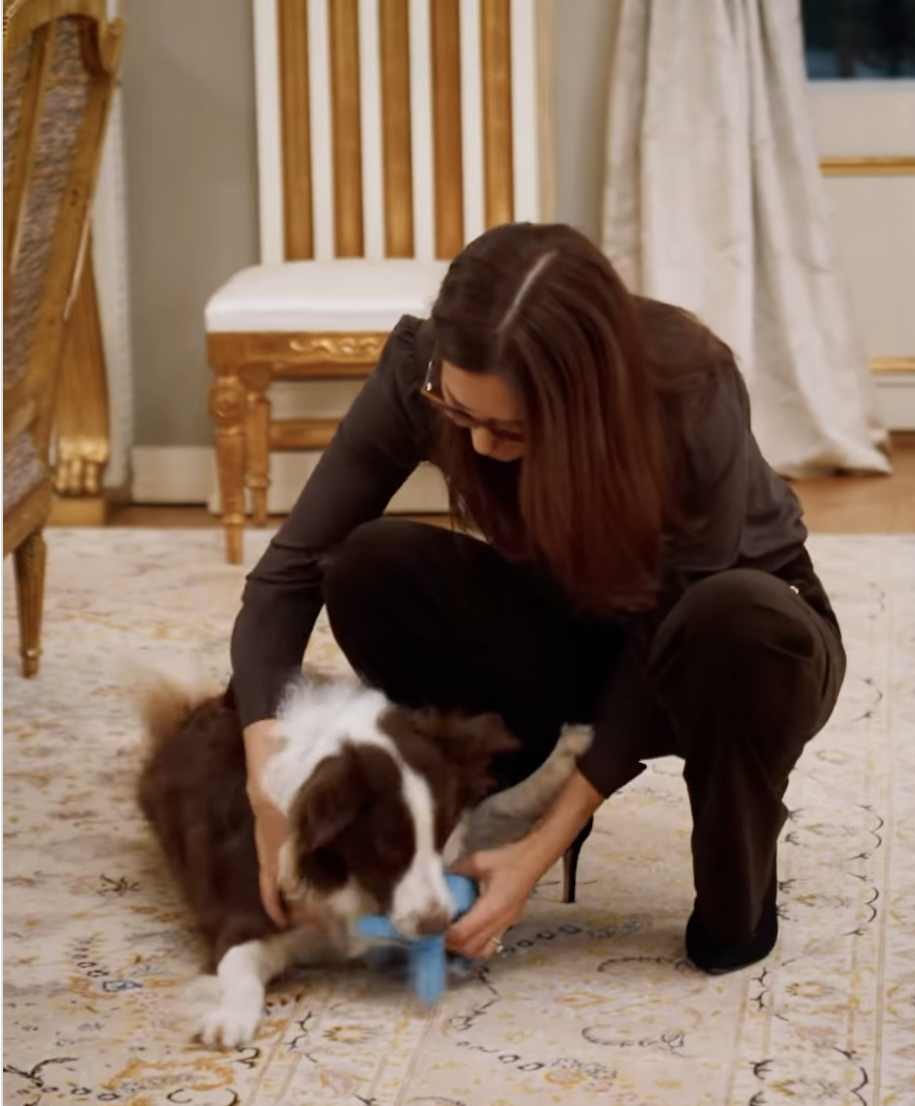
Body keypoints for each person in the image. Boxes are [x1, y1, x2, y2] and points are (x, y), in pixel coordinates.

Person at [230, 222, 846, 974]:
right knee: (371, 563)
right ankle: (500, 775)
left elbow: (662, 638)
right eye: (461, 415)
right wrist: (268, 780)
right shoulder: (419, 369)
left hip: (732, 655)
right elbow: (288, 573)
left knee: (732, 618)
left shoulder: (689, 392)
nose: (482, 448)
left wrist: (544, 846)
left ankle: (729, 833)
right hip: (574, 620)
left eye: (511, 428)